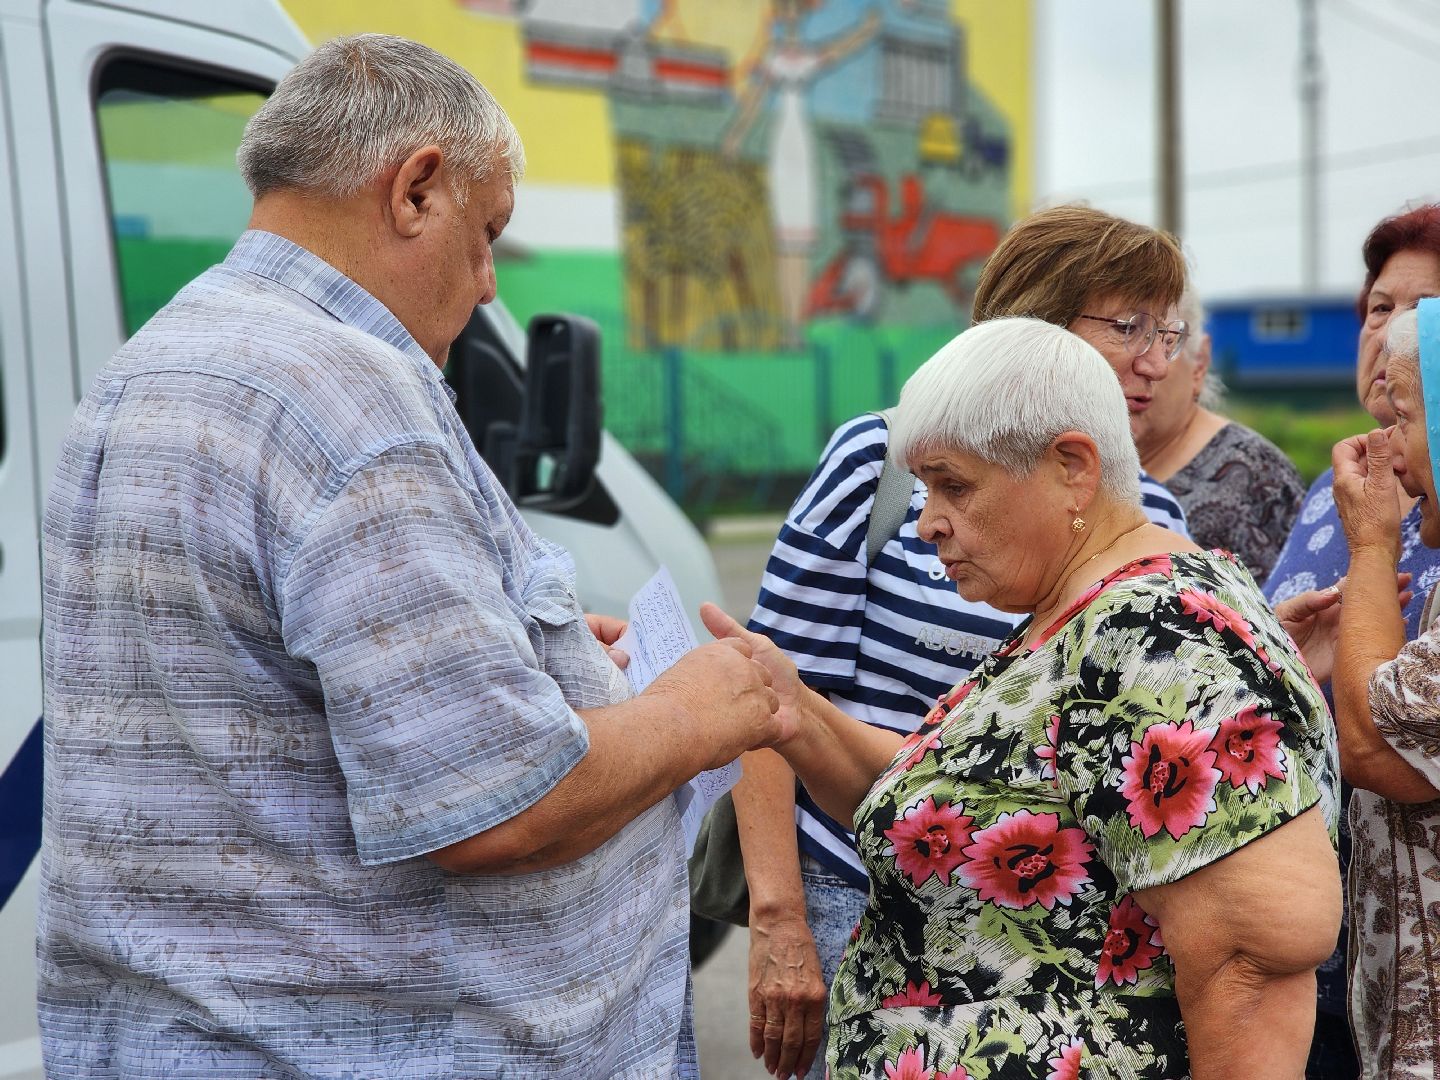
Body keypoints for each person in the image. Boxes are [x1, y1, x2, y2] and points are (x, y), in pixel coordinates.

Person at [37, 35, 789, 1078]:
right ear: (417, 191)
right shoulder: (353, 396)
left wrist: (522, 658)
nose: (486, 286)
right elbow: (497, 804)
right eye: (487, 236)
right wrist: (700, 710)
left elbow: (274, 690)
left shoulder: (149, 364)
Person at [712, 316, 1340, 1079]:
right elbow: (974, 807)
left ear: (1073, 466)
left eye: (953, 485)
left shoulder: (1154, 639)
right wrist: (799, 714)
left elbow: (1253, 958)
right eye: (922, 487)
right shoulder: (1082, 607)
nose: (929, 520)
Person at [735, 203, 1192, 1078]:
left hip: (1036, 934)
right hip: (854, 898)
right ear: (1030, 322)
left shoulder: (1154, 520)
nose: (1155, 360)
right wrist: (780, 922)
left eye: (1167, 330)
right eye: (1127, 324)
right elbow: (771, 698)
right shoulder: (879, 464)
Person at [1263, 203, 1440, 1080]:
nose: (1393, 331)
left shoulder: (1378, 512)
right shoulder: (1324, 496)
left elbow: (1384, 748)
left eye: (1423, 310)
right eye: (1379, 307)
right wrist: (1292, 674)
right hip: (1344, 936)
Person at [1136, 288, 1305, 584]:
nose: (1143, 364)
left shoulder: (1256, 475)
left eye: (1163, 341)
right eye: (1124, 336)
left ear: (1199, 362)